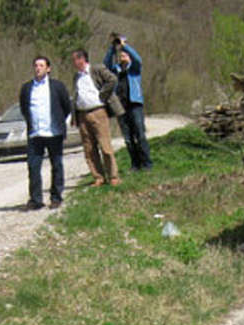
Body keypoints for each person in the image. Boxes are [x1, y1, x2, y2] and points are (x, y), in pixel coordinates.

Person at [19, 56, 72, 210]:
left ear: (48, 68)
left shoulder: (57, 86)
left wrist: (61, 123)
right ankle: (35, 199)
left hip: (53, 132)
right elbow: (24, 108)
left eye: (41, 65)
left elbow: (66, 106)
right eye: (36, 65)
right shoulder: (27, 88)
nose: (38, 68)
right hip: (35, 134)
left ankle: (56, 197)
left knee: (56, 165)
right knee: (33, 167)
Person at [70, 48, 123, 187]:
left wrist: (103, 95)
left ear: (82, 59)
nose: (74, 63)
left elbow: (112, 79)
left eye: (75, 59)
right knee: (89, 149)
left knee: (105, 146)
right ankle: (98, 177)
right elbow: (76, 96)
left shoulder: (96, 69)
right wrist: (74, 116)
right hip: (82, 114)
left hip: (98, 111)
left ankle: (113, 176)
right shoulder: (76, 77)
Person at [104, 35, 152, 171]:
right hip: (120, 106)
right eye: (121, 54)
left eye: (125, 54)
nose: (122, 55)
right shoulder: (115, 70)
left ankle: (147, 163)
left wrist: (125, 46)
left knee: (140, 135)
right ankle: (135, 164)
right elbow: (105, 64)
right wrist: (113, 48)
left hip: (135, 104)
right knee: (128, 138)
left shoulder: (134, 69)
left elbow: (137, 59)